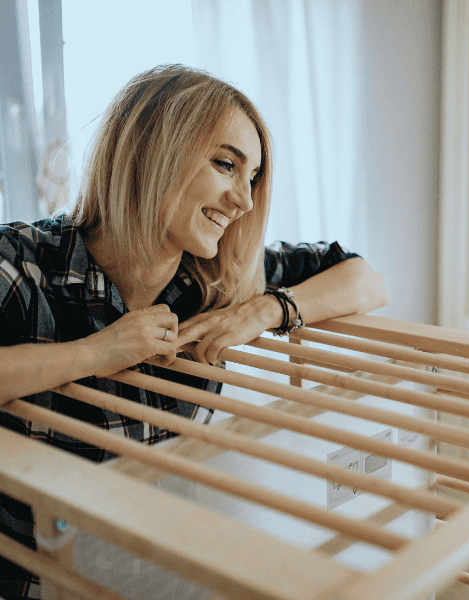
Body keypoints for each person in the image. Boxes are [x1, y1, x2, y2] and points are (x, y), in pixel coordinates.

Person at [0, 64, 390, 599]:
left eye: (252, 177)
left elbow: (367, 280)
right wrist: (97, 352)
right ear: (149, 152)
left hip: (160, 574)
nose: (244, 201)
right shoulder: (20, 265)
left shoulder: (217, 275)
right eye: (226, 165)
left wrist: (269, 309)